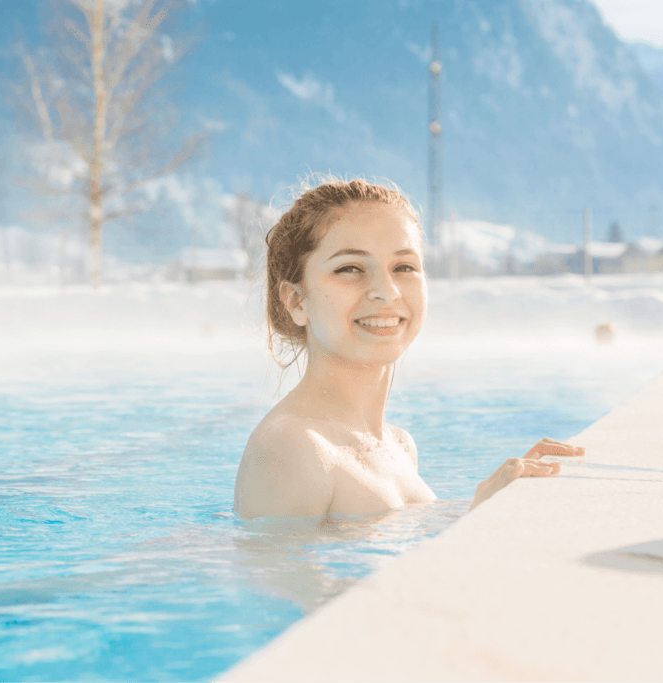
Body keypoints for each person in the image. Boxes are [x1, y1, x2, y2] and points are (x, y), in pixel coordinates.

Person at [233, 178, 584, 520]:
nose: (386, 291)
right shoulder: (292, 448)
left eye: (404, 267)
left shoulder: (400, 445)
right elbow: (275, 575)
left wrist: (506, 487)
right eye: (350, 268)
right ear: (296, 300)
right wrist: (475, 520)